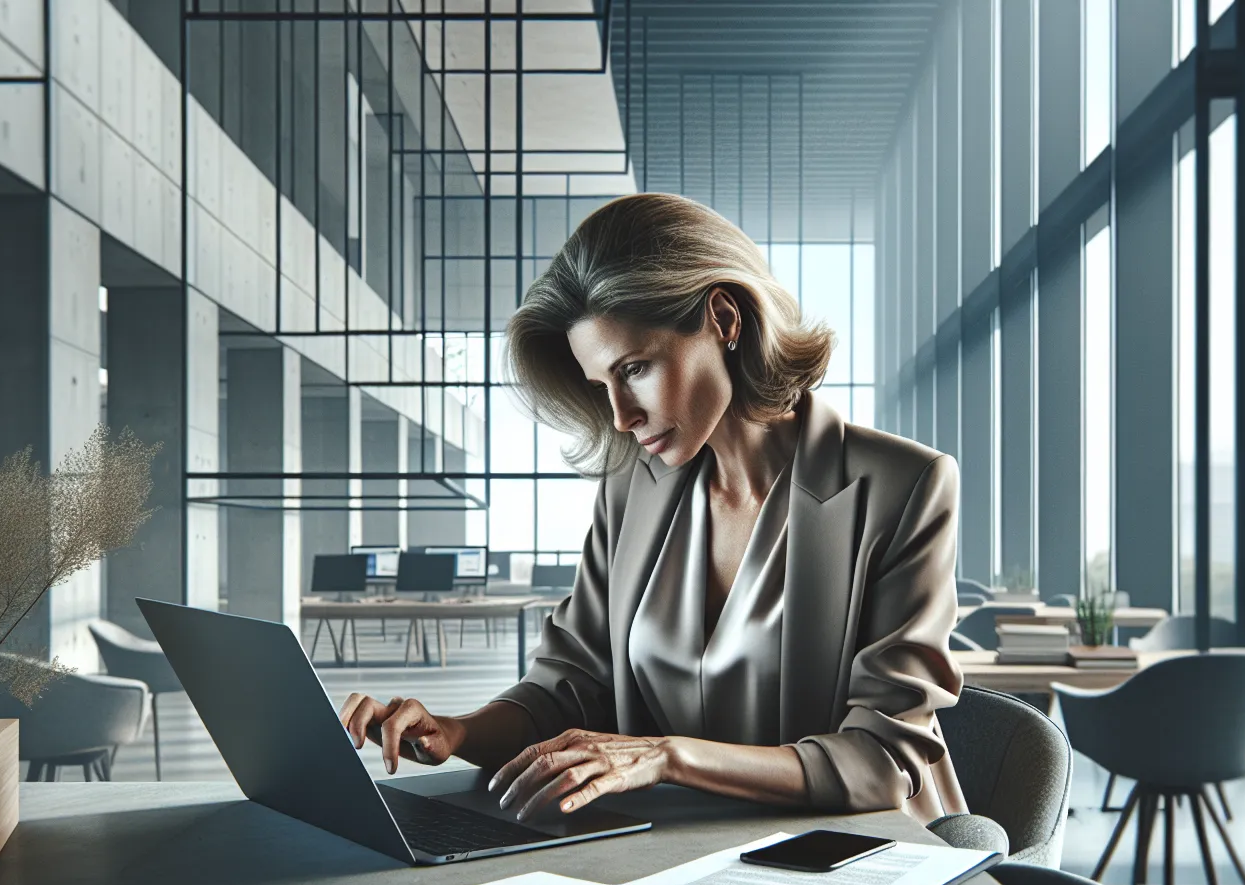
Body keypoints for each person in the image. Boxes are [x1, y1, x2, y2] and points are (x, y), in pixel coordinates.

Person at [340, 193, 967, 824]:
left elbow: (881, 762)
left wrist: (666, 758)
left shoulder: (903, 486)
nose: (620, 416)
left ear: (724, 319)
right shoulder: (630, 488)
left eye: (635, 368)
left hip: (852, 857)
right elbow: (570, 686)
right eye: (601, 386)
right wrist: (455, 733)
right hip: (668, 850)